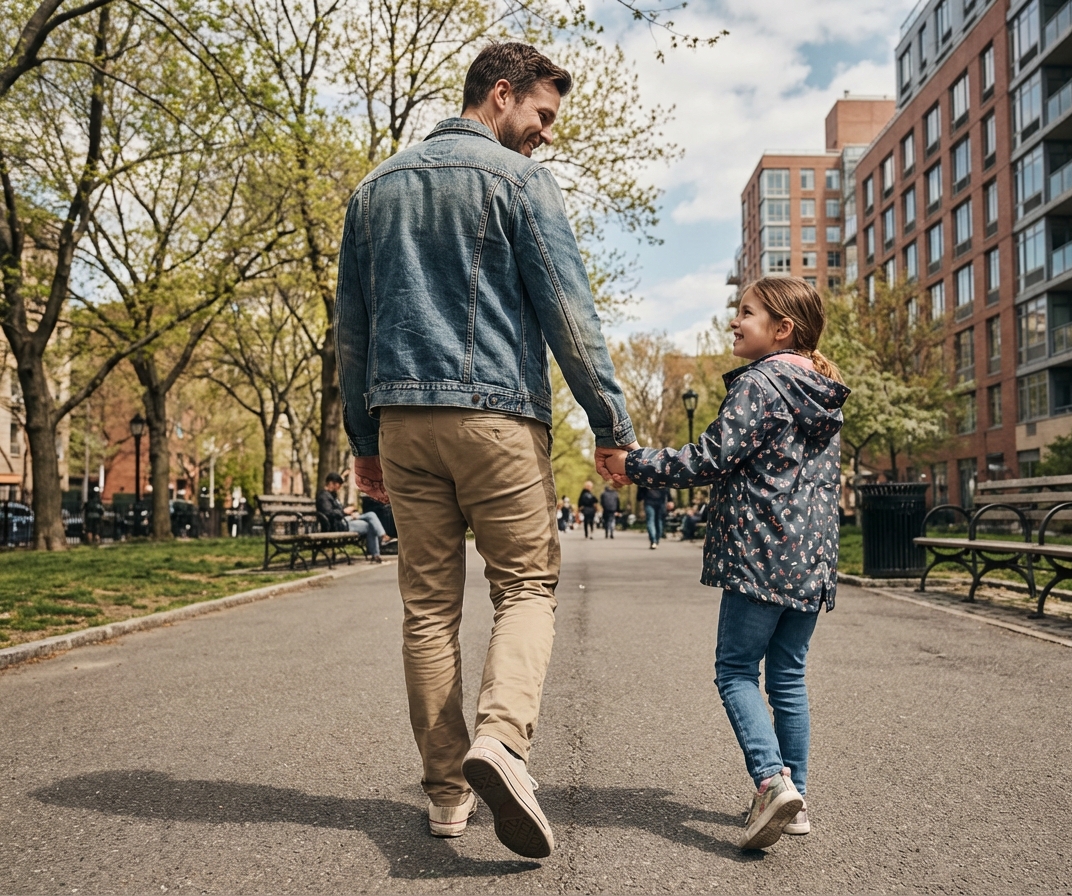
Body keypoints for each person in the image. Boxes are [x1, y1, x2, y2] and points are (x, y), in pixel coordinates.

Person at [334, 42, 638, 858]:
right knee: (527, 586)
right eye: (540, 116)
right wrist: (611, 424)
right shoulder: (521, 182)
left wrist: (364, 441)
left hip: (401, 422)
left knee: (428, 611)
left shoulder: (372, 191)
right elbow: (570, 315)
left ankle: (445, 796)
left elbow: (352, 335)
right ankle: (501, 741)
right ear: (500, 95)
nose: (543, 136)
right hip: (496, 419)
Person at [603, 277, 849, 851]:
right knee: (788, 675)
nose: (734, 322)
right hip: (812, 557)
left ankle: (771, 782)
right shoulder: (819, 388)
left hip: (764, 552)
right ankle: (797, 795)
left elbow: (708, 457)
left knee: (736, 670)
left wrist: (633, 461)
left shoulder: (763, 384)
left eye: (746, 312)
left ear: (781, 329)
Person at [316, 473, 392, 562]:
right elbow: (328, 513)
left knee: (371, 516)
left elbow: (337, 511)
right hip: (338, 525)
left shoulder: (332, 496)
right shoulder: (323, 496)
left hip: (344, 520)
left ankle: (380, 543)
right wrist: (344, 512)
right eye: (338, 485)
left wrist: (350, 513)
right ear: (331, 483)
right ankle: (379, 547)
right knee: (370, 524)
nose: (339, 488)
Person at [637, 484, 668, 549]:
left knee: (653, 520)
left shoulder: (645, 474)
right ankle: (655, 540)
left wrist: (639, 496)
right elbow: (667, 487)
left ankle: (654, 540)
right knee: (656, 520)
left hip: (653, 501)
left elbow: (640, 484)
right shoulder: (662, 474)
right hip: (655, 501)